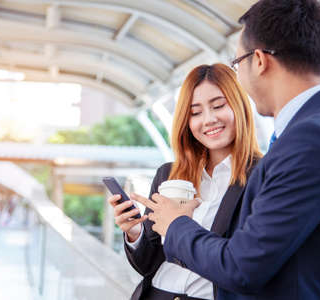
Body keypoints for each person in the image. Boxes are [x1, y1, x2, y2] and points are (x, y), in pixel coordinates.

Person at [133, 1, 320, 299]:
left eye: (237, 64)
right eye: (195, 111)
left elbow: (242, 266)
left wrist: (175, 225)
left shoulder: (309, 142)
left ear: (260, 60)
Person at [108, 63, 262, 300]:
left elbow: (247, 265)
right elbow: (148, 264)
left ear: (239, 106)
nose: (208, 119)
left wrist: (179, 225)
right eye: (195, 112)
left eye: (218, 105)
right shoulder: (169, 175)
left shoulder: (262, 176)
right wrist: (135, 231)